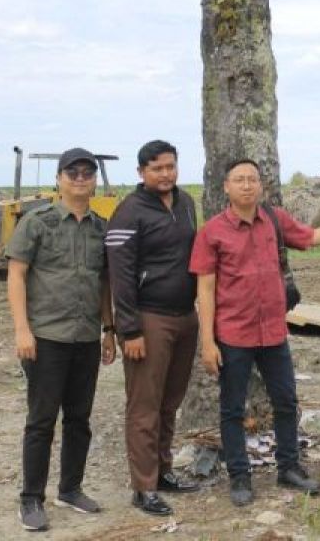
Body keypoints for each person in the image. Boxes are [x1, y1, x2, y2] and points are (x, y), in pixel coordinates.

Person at [190, 158, 320, 507]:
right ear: (225, 187)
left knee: (286, 402)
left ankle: (289, 467)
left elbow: (311, 237)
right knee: (231, 409)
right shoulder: (212, 231)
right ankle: (240, 477)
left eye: (252, 180)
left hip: (273, 332)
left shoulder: (274, 220)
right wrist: (208, 342)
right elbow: (206, 288)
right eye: (239, 180)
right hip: (233, 335)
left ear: (261, 186)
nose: (246, 185)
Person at [7, 148, 117, 532]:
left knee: (79, 419)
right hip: (46, 337)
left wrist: (109, 329)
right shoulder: (37, 223)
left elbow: (103, 282)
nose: (81, 179)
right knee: (41, 421)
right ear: (59, 179)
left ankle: (70, 488)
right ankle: (30, 499)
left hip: (86, 336)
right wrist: (23, 329)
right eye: (73, 173)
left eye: (88, 173)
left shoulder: (100, 228)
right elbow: (17, 275)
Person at [107, 140, 201, 516]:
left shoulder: (187, 203)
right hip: (148, 319)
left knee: (170, 402)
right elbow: (120, 275)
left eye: (170, 167)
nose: (166, 174)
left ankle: (164, 472)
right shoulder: (129, 212)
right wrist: (128, 330)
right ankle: (143, 487)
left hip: (185, 316)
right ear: (141, 172)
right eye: (157, 168)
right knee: (144, 407)